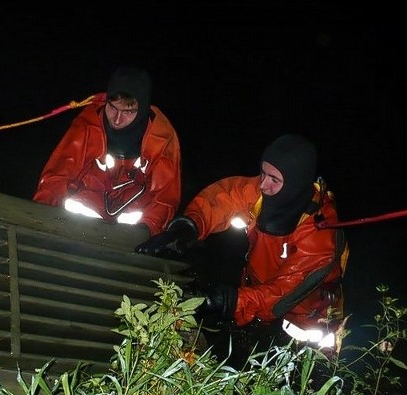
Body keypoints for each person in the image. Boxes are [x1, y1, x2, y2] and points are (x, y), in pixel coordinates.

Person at [136, 134, 349, 365]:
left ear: (295, 183)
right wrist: (188, 227)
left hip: (306, 332)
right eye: (263, 173)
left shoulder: (319, 236)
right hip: (256, 304)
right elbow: (221, 200)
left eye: (274, 180)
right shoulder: (261, 191)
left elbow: (281, 295)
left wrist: (228, 301)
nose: (263, 185)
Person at [33, 65, 181, 235]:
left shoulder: (162, 137)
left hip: (131, 234)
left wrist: (144, 232)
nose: (117, 120)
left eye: (128, 111)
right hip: (78, 227)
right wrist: (38, 220)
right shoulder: (88, 125)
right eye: (113, 108)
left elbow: (165, 198)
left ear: (143, 110)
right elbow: (56, 177)